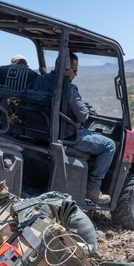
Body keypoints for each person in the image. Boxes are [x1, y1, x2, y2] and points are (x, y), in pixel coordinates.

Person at [31, 52, 115, 204]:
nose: (76, 74)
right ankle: (93, 189)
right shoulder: (67, 88)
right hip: (67, 137)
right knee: (109, 145)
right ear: (66, 69)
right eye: (74, 70)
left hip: (39, 133)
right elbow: (83, 115)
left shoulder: (39, 80)